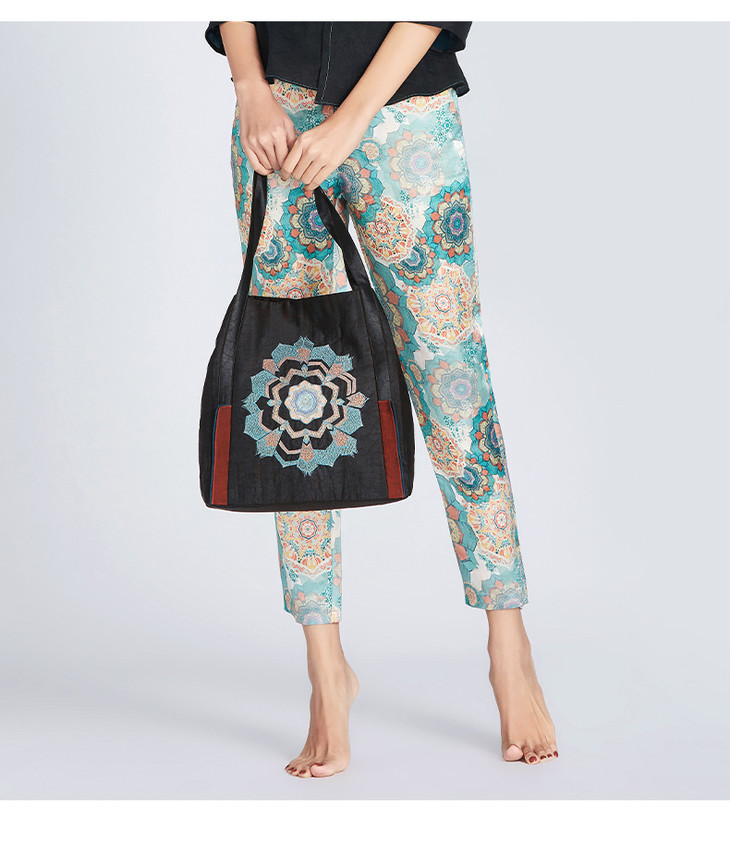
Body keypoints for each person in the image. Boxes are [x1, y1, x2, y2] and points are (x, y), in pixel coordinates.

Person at [204, 21, 558, 777]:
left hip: (406, 116)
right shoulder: (262, 98)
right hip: (276, 114)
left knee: (453, 380)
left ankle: (509, 644)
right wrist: (249, 87)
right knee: (296, 396)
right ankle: (326, 670)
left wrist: (352, 119)